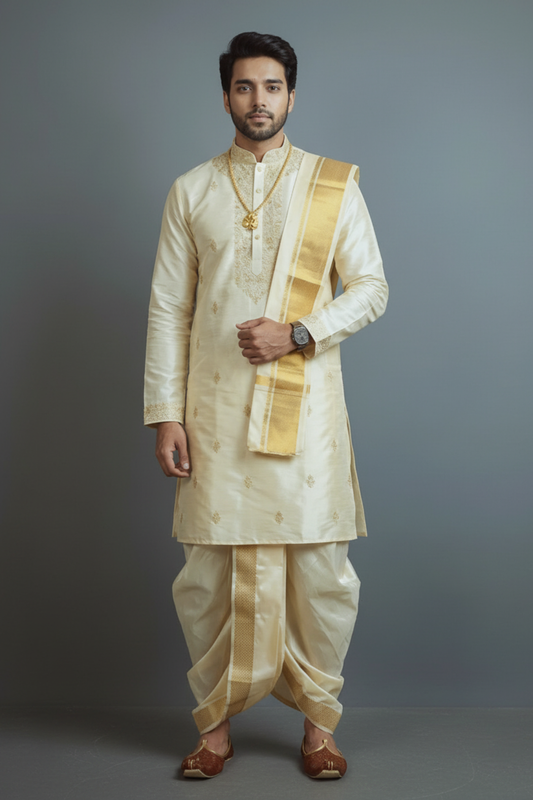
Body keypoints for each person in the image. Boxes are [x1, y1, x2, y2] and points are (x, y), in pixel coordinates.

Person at [144, 31, 388, 780]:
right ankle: (213, 728)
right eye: (244, 87)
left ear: (291, 95)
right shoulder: (191, 190)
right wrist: (165, 414)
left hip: (303, 413)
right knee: (206, 576)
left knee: (322, 572)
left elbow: (372, 289)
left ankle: (318, 727)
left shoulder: (332, 184)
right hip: (213, 413)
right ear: (225, 96)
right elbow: (166, 310)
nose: (259, 101)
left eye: (272, 86)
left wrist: (302, 332)